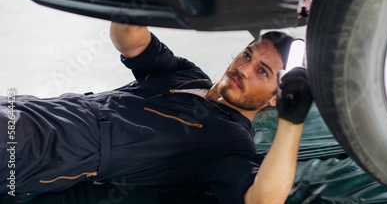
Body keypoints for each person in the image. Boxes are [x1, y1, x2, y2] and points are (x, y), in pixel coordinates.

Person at [0, 23, 314, 204]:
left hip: (39, 149)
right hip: (29, 109)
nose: (243, 69)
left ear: (276, 97)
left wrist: (293, 120)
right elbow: (130, 39)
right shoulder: (189, 77)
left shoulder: (231, 143)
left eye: (262, 71)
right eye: (247, 54)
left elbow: (263, 199)